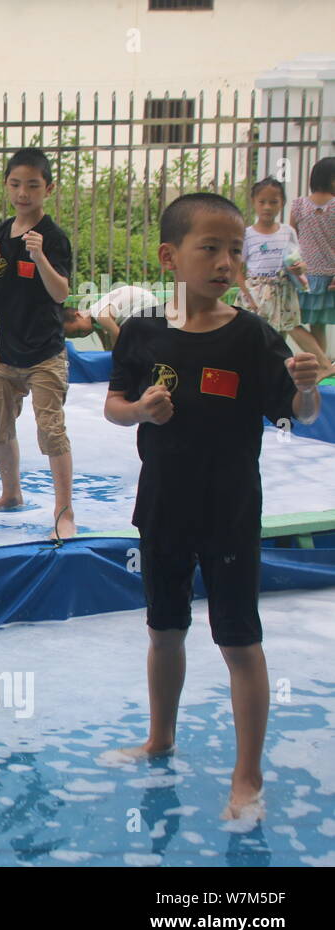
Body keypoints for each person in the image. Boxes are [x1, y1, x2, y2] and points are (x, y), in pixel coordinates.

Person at [103, 193, 322, 822]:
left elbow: (295, 414)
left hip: (229, 511)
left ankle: (248, 774)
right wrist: (140, 410)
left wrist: (307, 390)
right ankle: (159, 737)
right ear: (172, 256)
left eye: (235, 250)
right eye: (211, 248)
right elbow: (114, 405)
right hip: (163, 508)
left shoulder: (253, 336)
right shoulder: (143, 330)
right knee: (164, 631)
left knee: (239, 640)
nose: (226, 261)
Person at [0, 147, 76, 540]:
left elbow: (61, 292)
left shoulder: (52, 237)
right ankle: (11, 493)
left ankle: (64, 511)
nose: (23, 193)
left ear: (48, 188)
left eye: (32, 185)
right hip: (7, 351)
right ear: (6, 185)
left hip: (45, 353)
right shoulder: (0, 233)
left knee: (51, 430)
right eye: (16, 184)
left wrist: (40, 257)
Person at [236, 176, 332, 379]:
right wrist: (247, 295)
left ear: (282, 203)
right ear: (253, 202)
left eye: (273, 202)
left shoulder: (287, 232)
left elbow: (299, 260)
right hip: (258, 291)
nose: (267, 207)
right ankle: (316, 364)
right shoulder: (248, 234)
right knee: (265, 333)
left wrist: (300, 269)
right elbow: (238, 268)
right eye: (262, 202)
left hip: (284, 288)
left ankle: (319, 364)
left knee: (287, 328)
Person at [291, 157, 335, 367]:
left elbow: (292, 238)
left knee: (289, 320)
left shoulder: (299, 205)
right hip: (328, 275)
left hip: (301, 274)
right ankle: (323, 366)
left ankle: (320, 367)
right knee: (318, 325)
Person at [63, 284, 159, 350]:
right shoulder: (96, 322)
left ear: (78, 315)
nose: (83, 335)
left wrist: (116, 357)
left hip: (145, 303)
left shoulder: (100, 316)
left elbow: (116, 335)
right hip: (141, 306)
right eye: (78, 336)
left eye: (78, 331)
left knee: (126, 343)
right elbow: (107, 346)